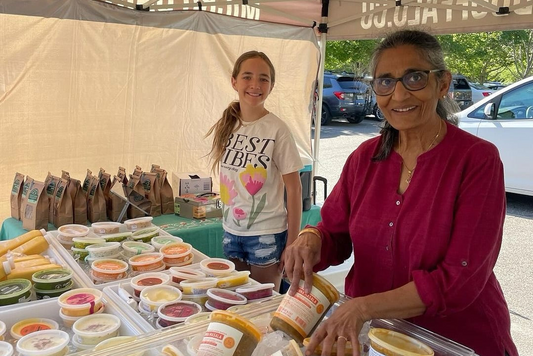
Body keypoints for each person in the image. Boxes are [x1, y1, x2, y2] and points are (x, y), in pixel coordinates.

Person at [283, 30, 517, 356]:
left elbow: (460, 279)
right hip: (376, 339)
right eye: (385, 82)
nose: (399, 94)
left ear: (443, 84)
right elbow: (333, 233)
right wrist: (311, 238)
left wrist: (362, 308)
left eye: (415, 78)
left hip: (457, 341)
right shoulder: (364, 158)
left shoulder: (477, 160)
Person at [206, 51, 302, 292]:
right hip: (231, 230)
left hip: (267, 233)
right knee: (236, 301)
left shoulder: (277, 129)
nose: (255, 85)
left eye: (263, 78)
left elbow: (294, 188)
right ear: (234, 81)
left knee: (262, 305)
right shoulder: (228, 124)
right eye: (247, 77)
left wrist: (293, 242)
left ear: (271, 85)